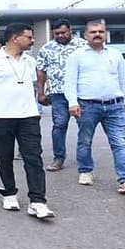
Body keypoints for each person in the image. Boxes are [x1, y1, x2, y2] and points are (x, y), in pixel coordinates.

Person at [0, 23, 55, 219]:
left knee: (34, 157)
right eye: (29, 37)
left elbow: (35, 82)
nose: (33, 40)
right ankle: (9, 193)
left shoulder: (30, 61)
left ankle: (37, 201)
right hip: (1, 115)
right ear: (15, 38)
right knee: (4, 157)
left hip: (28, 115)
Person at [64, 21, 125, 193]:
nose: (97, 34)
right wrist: (72, 102)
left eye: (101, 31)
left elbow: (123, 79)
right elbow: (70, 81)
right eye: (93, 32)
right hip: (87, 106)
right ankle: (85, 171)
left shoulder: (115, 54)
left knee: (120, 142)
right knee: (85, 141)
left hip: (115, 106)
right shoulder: (77, 56)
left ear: (105, 34)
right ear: (85, 35)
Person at [35, 18, 88, 172]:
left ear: (70, 30)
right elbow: (41, 71)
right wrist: (41, 93)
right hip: (58, 94)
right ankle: (58, 158)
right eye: (57, 33)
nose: (60, 36)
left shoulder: (83, 46)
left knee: (85, 125)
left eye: (63, 32)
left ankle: (84, 159)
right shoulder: (47, 48)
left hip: (81, 93)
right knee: (59, 125)